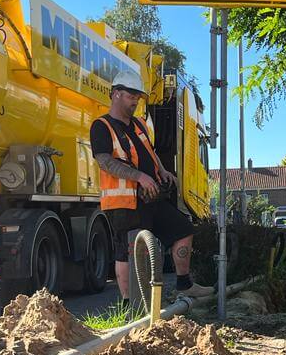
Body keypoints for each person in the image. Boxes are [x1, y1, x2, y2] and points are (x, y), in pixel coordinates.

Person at [90, 68, 215, 304]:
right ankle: (131, 304)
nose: (136, 101)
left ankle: (184, 284)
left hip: (150, 197)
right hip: (124, 202)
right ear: (116, 94)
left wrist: (162, 171)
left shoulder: (138, 124)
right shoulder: (102, 126)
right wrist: (139, 176)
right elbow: (105, 161)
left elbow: (150, 151)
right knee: (127, 252)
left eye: (138, 96)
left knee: (183, 229)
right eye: (131, 96)